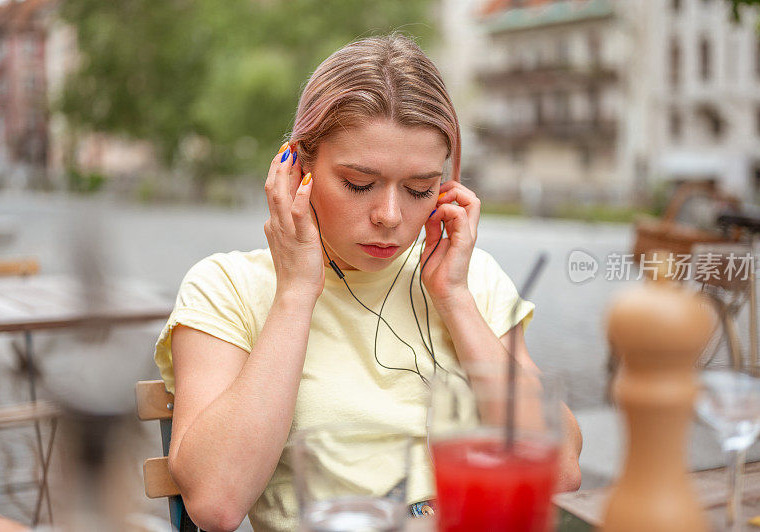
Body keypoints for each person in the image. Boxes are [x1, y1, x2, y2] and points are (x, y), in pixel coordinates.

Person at [153, 32, 582, 532]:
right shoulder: (226, 286)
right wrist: (296, 292)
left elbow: (562, 471)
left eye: (421, 189)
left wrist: (456, 299)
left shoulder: (470, 277)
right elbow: (216, 502)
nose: (391, 216)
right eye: (359, 184)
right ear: (297, 169)